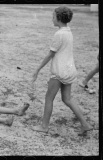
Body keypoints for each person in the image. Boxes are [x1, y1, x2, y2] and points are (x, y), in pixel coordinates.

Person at [31, 6, 92, 135]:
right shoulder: (68, 31)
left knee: (49, 98)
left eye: (53, 17)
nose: (52, 19)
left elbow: (50, 55)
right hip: (70, 70)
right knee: (67, 99)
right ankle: (85, 124)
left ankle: (44, 126)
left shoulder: (58, 34)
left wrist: (38, 69)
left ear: (58, 18)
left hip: (59, 72)